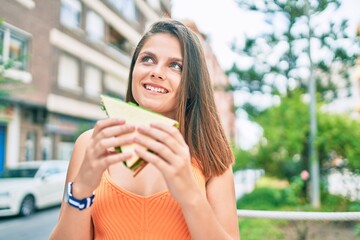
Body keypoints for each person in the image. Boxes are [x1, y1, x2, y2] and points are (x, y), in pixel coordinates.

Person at [50, 19, 240, 240]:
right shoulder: (91, 144)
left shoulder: (211, 155)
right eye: (148, 59)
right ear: (134, 70)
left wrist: (189, 193)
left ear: (191, 86)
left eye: (175, 66)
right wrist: (81, 188)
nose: (156, 72)